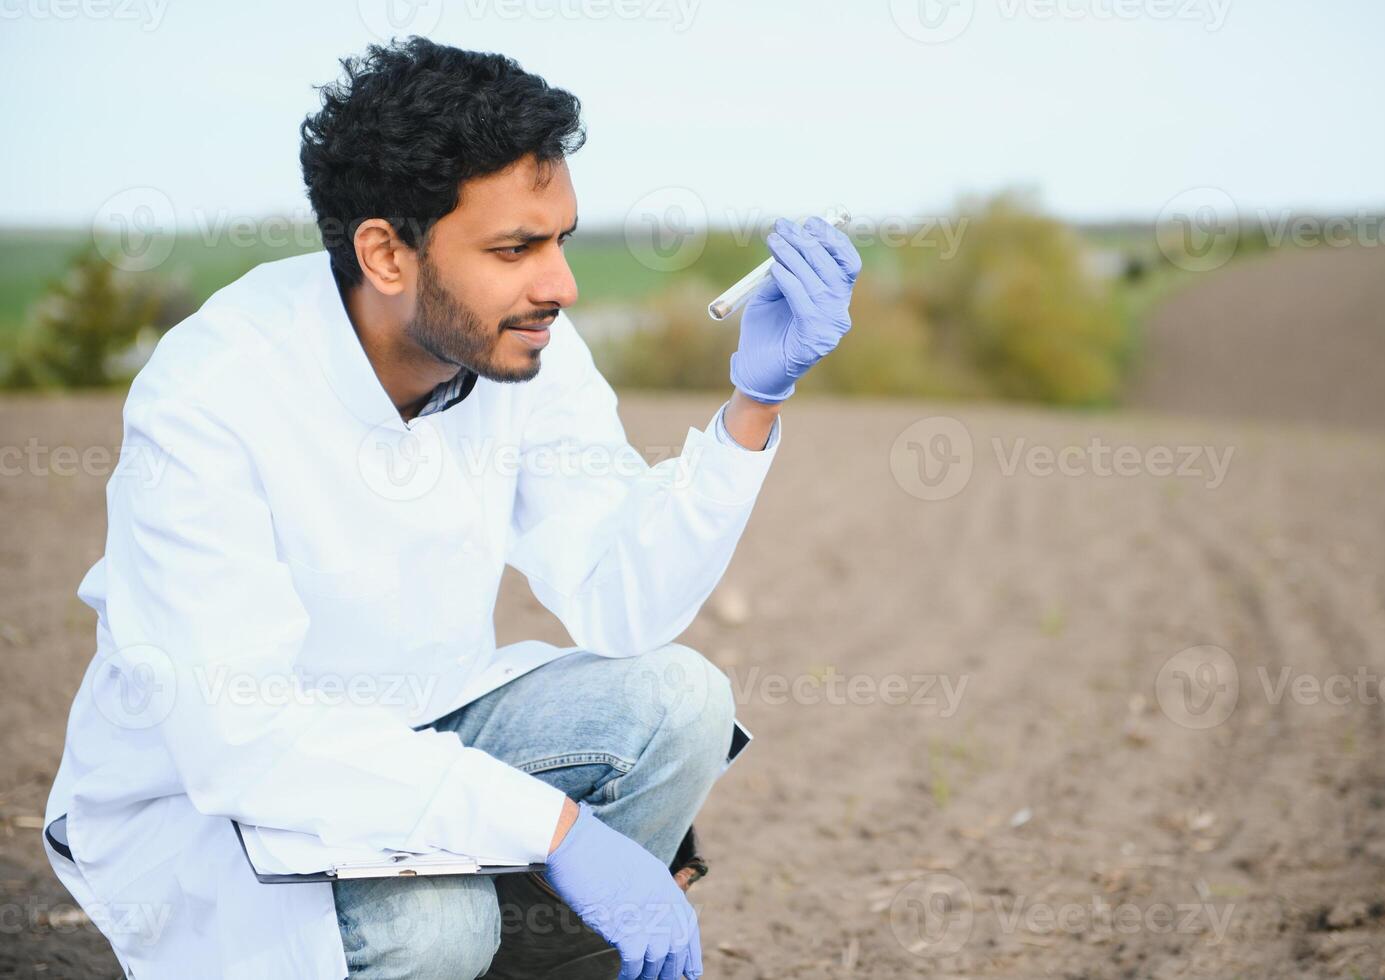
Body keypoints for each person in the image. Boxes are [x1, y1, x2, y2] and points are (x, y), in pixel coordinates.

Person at [41, 36, 862, 980]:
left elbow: (619, 599)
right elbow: (245, 741)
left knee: (679, 701)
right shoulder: (209, 392)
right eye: (515, 248)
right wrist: (559, 831)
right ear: (386, 252)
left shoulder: (523, 349)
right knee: (436, 930)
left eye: (560, 240)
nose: (560, 285)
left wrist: (753, 405)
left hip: (421, 727)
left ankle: (547, 961)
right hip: (207, 798)